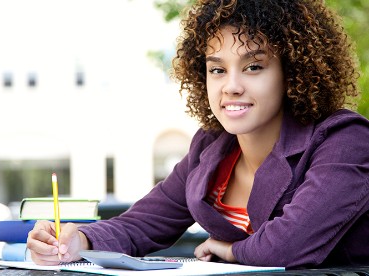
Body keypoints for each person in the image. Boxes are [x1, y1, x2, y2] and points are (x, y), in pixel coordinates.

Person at [27, 0, 369, 269]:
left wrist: (229, 250)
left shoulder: (344, 141)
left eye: (253, 66)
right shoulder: (211, 148)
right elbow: (141, 223)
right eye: (217, 69)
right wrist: (79, 241)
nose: (231, 86)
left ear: (291, 71)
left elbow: (287, 245)